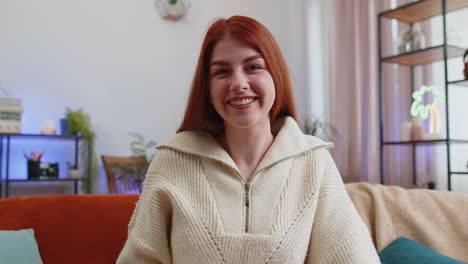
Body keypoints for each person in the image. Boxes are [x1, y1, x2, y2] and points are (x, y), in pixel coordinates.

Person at [117, 16, 380, 264]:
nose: (239, 83)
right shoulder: (171, 162)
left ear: (275, 77)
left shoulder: (314, 161)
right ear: (207, 90)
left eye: (253, 67)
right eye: (222, 72)